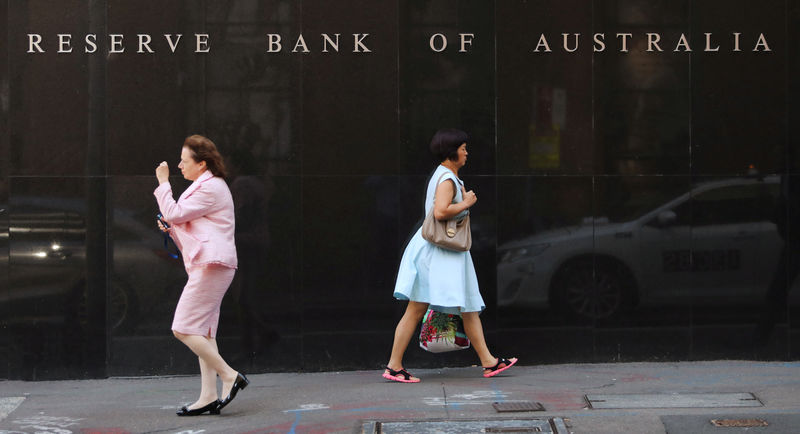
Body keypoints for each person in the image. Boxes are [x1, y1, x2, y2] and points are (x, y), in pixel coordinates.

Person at [384, 128, 517, 383]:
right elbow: (441, 212)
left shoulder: (447, 176)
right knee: (418, 308)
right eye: (463, 148)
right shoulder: (446, 178)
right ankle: (394, 365)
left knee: (467, 307)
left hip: (446, 254)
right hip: (439, 254)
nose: (466, 153)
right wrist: (466, 203)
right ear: (452, 151)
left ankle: (489, 362)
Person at [154, 134, 249, 415]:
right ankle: (208, 396)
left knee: (182, 328)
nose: (179, 166)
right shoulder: (206, 186)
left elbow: (173, 211)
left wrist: (162, 183)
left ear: (201, 163)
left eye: (184, 161)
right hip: (210, 264)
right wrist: (172, 228)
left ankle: (230, 375)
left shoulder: (211, 188)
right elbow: (190, 221)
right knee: (204, 332)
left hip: (212, 265)